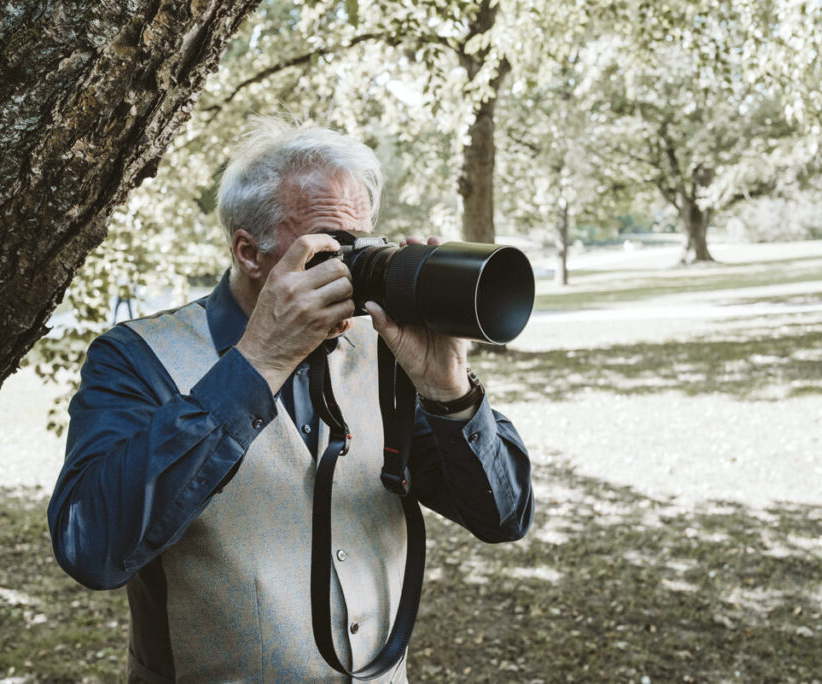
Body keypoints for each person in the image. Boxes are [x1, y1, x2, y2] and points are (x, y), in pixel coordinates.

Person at [48, 117, 534, 683]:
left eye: (366, 245)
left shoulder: (383, 352)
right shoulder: (136, 358)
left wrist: (449, 392)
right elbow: (91, 547)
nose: (356, 269)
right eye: (335, 247)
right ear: (250, 253)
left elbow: (504, 517)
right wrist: (257, 364)